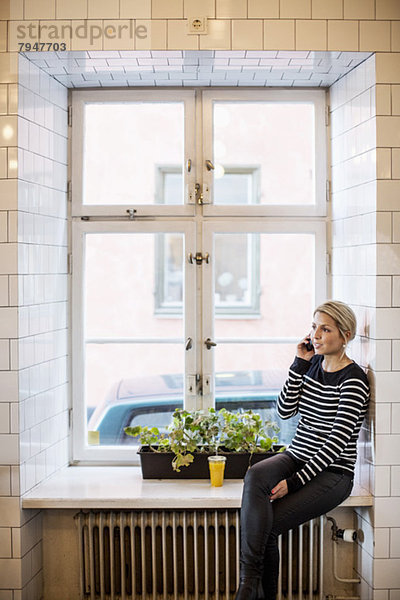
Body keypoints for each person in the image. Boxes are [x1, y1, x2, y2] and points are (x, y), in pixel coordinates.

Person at [235, 300, 370, 600]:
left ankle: (250, 590)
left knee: (266, 529)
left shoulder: (354, 381)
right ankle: (248, 583)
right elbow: (284, 411)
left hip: (333, 473)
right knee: (255, 475)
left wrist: (294, 483)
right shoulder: (311, 366)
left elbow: (335, 445)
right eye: (314, 327)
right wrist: (298, 364)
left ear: (345, 336)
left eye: (325, 329)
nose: (316, 335)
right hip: (297, 455)